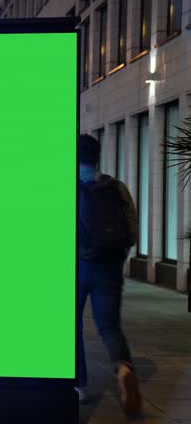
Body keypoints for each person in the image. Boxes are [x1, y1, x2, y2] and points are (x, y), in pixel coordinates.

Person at [76, 134, 141, 415]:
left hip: (75, 267)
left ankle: (79, 385)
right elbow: (132, 232)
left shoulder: (68, 187)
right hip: (109, 267)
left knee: (70, 326)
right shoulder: (117, 187)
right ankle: (124, 367)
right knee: (110, 327)